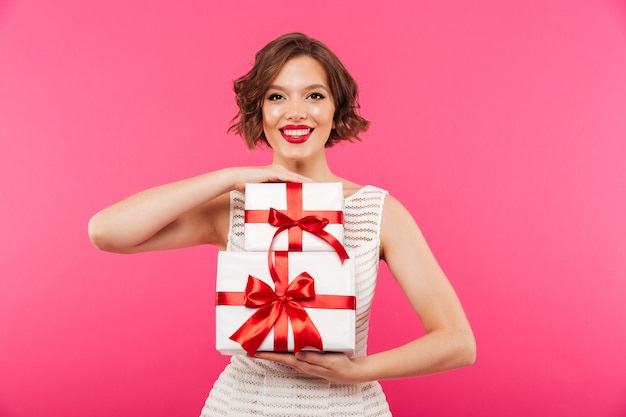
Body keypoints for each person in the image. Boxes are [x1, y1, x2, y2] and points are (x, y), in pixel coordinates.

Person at [88, 32, 476, 417]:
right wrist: (229, 177)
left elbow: (457, 342)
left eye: (314, 95)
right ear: (258, 111)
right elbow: (107, 232)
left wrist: (357, 371)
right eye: (276, 96)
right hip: (241, 406)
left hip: (346, 408)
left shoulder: (378, 211)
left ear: (336, 108)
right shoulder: (233, 207)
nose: (295, 111)